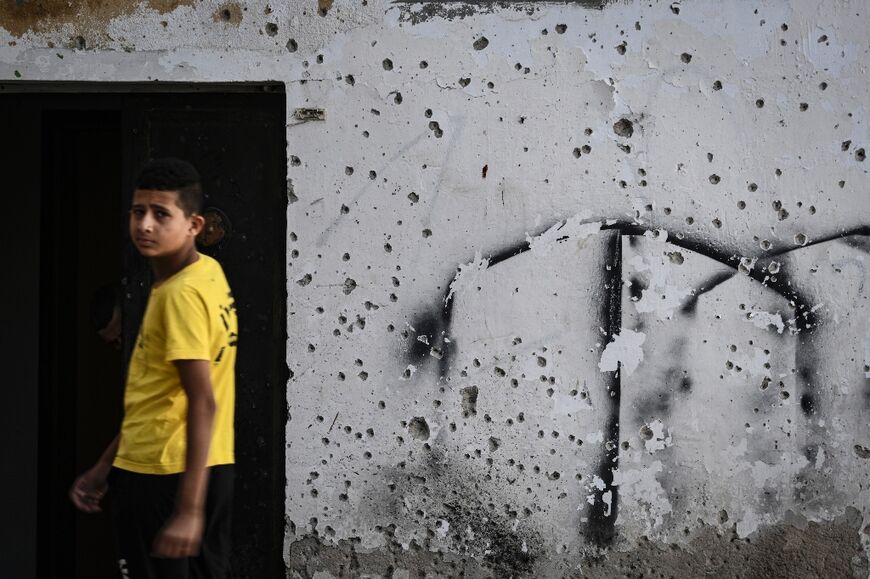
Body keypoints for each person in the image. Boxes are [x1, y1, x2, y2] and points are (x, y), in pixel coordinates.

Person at [70, 158, 238, 578]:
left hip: (164, 475)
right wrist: (104, 467)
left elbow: (202, 400)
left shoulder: (177, 296)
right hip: (202, 465)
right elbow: (159, 400)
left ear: (194, 225)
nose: (145, 225)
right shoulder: (209, 274)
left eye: (161, 214)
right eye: (138, 211)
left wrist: (187, 508)